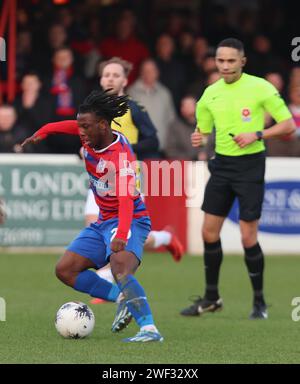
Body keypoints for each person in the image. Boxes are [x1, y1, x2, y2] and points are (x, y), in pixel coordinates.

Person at [21, 90, 163, 343]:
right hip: (103, 221)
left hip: (128, 218)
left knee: (120, 266)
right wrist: (44, 130)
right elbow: (68, 125)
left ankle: (149, 329)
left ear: (103, 125)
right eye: (80, 126)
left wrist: (121, 235)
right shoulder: (91, 135)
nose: (81, 131)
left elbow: (126, 200)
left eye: (85, 127)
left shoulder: (120, 157)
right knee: (65, 270)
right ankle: (122, 299)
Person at [180, 38, 295, 320]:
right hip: (221, 165)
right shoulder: (209, 94)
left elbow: (289, 125)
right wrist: (199, 137)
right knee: (208, 232)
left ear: (242, 61)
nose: (226, 66)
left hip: (250, 166)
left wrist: (257, 134)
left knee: (247, 236)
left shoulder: (261, 87)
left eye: (231, 61)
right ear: (215, 62)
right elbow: (203, 132)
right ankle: (211, 298)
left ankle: (259, 302)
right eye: (221, 61)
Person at [88, 57, 184, 303]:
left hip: (125, 181)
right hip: (99, 182)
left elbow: (153, 140)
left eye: (115, 75)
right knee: (97, 228)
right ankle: (164, 238)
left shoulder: (133, 108)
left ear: (124, 80)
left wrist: (123, 146)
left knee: (123, 235)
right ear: (101, 79)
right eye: (106, 74)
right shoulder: (92, 110)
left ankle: (106, 282)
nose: (110, 78)